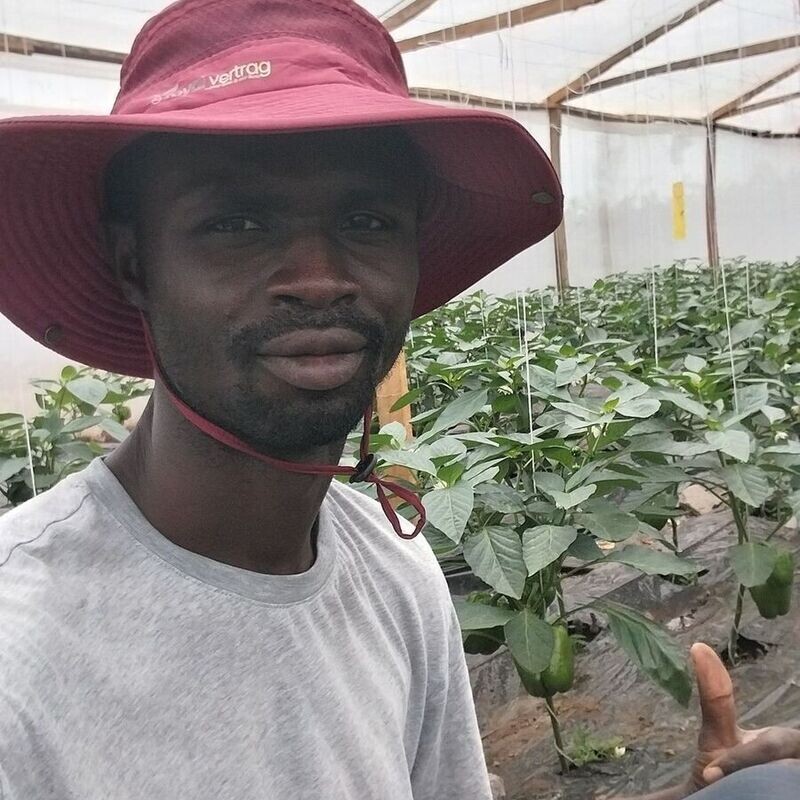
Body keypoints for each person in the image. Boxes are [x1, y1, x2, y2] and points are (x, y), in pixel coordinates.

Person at [0, 1, 796, 798]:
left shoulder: (395, 571)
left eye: (367, 218)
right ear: (134, 264)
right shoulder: (21, 653)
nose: (318, 276)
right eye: (235, 221)